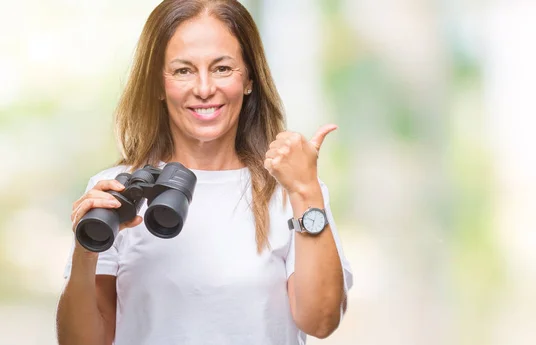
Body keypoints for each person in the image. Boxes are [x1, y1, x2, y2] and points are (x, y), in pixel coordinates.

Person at [56, 1, 353, 344]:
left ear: (249, 79)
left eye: (222, 68)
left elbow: (320, 321)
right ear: (157, 85)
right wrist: (86, 248)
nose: (204, 88)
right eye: (183, 70)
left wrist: (306, 191)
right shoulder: (115, 192)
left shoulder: (289, 190)